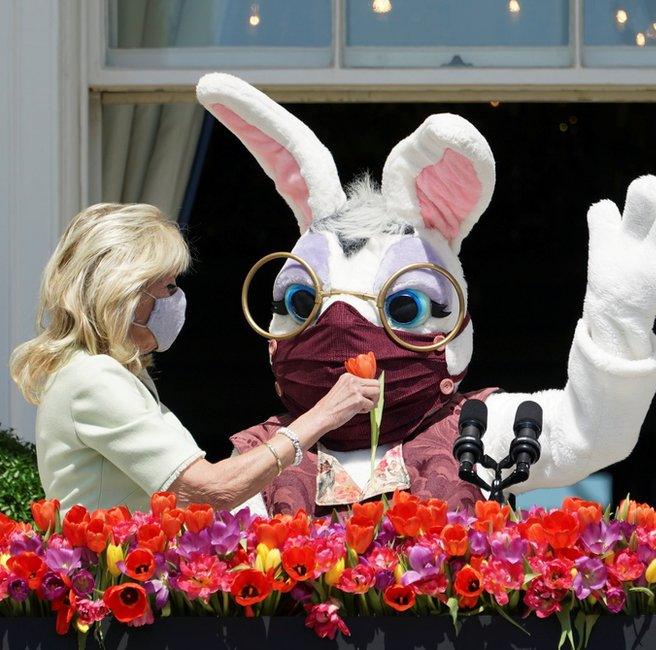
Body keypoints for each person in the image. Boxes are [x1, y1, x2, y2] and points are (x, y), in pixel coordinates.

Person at [9, 203, 379, 514]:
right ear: (123, 294)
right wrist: (325, 414)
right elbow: (208, 492)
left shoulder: (109, 373)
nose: (177, 297)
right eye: (168, 286)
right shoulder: (94, 379)